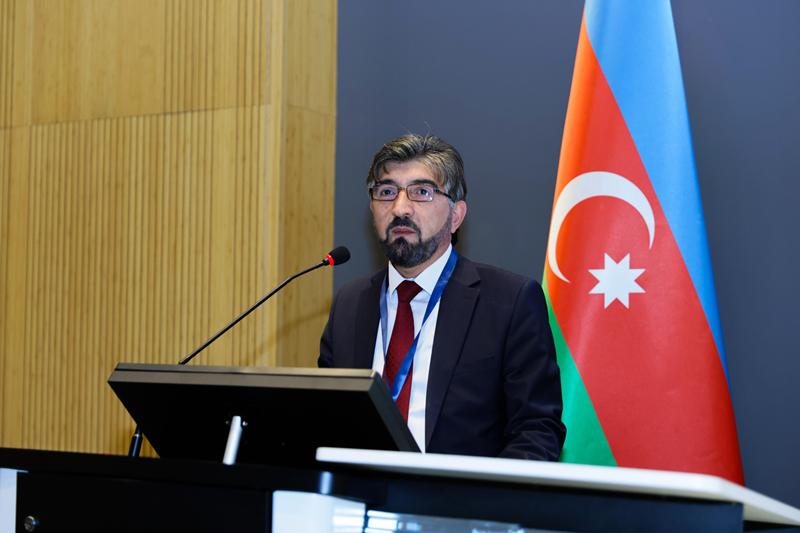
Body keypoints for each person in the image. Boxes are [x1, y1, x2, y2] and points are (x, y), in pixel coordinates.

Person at [319, 133, 565, 460]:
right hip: (360, 489)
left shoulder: (510, 302)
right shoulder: (349, 304)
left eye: (421, 192)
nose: (400, 208)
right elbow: (325, 420)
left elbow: (537, 430)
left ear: (456, 216)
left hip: (460, 491)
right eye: (387, 192)